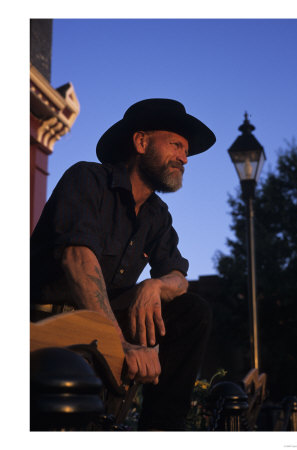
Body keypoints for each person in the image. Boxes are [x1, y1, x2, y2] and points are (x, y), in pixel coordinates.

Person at [30, 98, 216, 430]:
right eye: (176, 145)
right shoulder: (87, 178)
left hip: (106, 324)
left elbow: (179, 277)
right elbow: (77, 258)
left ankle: (162, 433)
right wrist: (120, 344)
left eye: (186, 151)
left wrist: (154, 285)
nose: (184, 158)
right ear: (141, 142)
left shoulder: (158, 215)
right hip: (46, 320)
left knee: (192, 311)